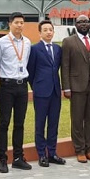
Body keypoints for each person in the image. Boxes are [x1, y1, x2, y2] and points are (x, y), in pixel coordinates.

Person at [0, 12, 32, 173]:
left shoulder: (28, 42)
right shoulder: (1, 42)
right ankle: (2, 159)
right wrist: (3, 81)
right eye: (16, 22)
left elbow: (26, 61)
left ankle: (18, 158)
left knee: (20, 123)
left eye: (22, 22)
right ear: (10, 23)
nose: (19, 25)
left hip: (22, 86)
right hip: (7, 86)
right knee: (4, 123)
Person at [61, 15, 90, 163]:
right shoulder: (68, 41)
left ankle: (89, 148)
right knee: (78, 119)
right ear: (75, 24)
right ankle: (79, 150)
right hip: (77, 86)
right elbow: (65, 66)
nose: (84, 24)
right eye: (80, 22)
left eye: (86, 22)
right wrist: (66, 87)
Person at [27, 20, 66, 167]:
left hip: (55, 91)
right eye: (45, 30)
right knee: (40, 124)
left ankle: (53, 153)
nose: (49, 32)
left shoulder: (58, 49)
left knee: (54, 124)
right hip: (41, 92)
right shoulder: (35, 49)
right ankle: (42, 154)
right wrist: (36, 86)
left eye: (51, 29)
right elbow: (30, 71)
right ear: (40, 32)